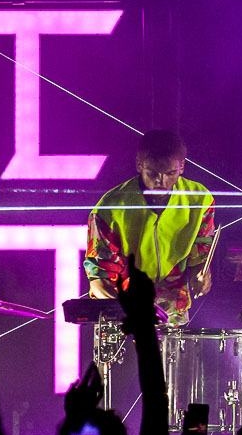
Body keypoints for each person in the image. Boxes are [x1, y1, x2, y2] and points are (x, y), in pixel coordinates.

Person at [84, 130, 215, 326]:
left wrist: (201, 277)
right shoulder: (110, 208)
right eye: (153, 173)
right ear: (139, 164)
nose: (161, 182)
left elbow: (200, 258)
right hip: (124, 319)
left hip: (173, 316)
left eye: (170, 173)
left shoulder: (200, 200)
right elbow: (99, 279)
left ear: (182, 166)